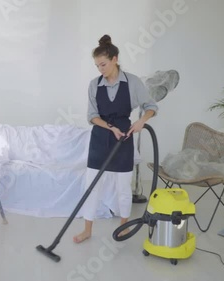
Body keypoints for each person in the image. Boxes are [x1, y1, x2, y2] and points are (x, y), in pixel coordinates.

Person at [73, 35, 158, 243]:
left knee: (122, 187)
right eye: (97, 66)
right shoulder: (95, 85)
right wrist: (109, 127)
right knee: (91, 185)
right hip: (101, 138)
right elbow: (91, 116)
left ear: (115, 59)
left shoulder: (132, 82)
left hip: (124, 138)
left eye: (103, 64)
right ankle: (87, 230)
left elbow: (151, 106)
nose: (100, 69)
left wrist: (140, 122)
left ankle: (124, 226)